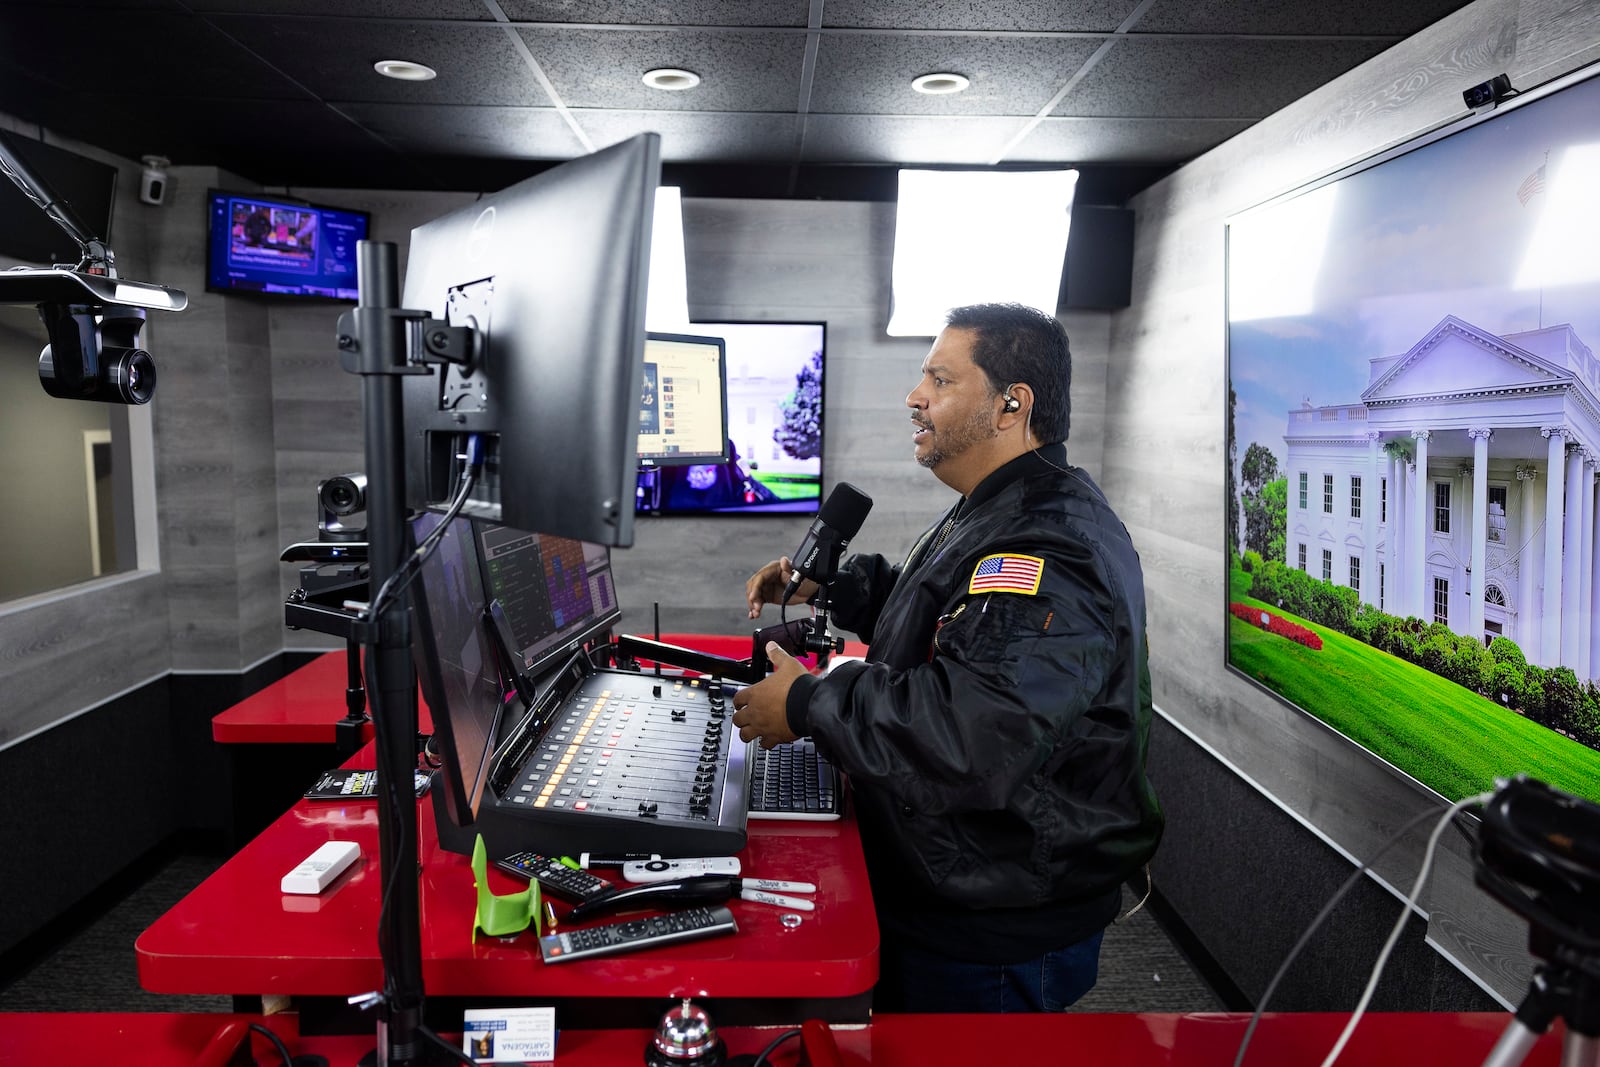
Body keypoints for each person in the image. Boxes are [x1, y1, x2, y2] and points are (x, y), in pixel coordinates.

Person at [732, 302, 1163, 1013]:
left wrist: (808, 702)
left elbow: (973, 730)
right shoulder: (1000, 506)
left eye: (939, 378)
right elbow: (948, 618)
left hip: (994, 925)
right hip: (965, 883)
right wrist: (839, 585)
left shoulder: (1048, 545)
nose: (914, 396)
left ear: (1009, 405)